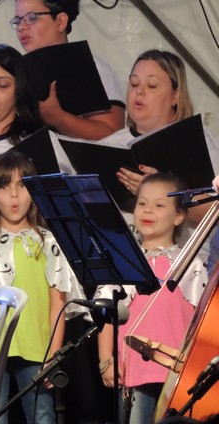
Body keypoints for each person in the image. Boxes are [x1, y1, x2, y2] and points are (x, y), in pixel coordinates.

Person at [0, 151, 74, 424]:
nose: (14, 195)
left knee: (42, 417)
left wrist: (54, 353)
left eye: (22, 185)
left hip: (37, 349)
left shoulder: (48, 243)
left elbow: (58, 303)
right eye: (4, 186)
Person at [95, 173, 208, 424]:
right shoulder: (122, 262)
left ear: (179, 216)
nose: (148, 210)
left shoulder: (191, 264)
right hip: (134, 370)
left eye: (159, 205)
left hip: (177, 374)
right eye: (142, 203)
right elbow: (106, 315)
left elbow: (200, 322)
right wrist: (106, 360)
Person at [105, 50, 219, 227]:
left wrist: (163, 192)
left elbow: (214, 212)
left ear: (175, 96)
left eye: (151, 85)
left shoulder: (195, 141)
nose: (139, 91)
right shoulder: (109, 144)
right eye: (134, 84)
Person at [12, 0, 125, 140]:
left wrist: (59, 118)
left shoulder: (93, 67)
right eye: (17, 21)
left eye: (31, 18)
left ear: (61, 22)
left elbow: (113, 133)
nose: (21, 27)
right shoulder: (15, 72)